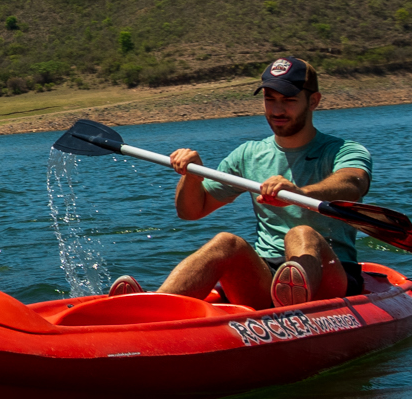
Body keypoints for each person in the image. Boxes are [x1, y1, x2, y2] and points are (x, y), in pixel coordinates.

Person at [106, 56, 373, 308]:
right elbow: (191, 211)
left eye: (289, 100)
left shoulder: (343, 150)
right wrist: (192, 177)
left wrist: (299, 192)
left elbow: (353, 182)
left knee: (300, 233)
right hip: (267, 276)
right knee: (226, 242)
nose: (278, 109)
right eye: (270, 99)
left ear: (313, 101)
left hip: (332, 275)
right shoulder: (248, 154)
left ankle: (297, 302)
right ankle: (149, 308)